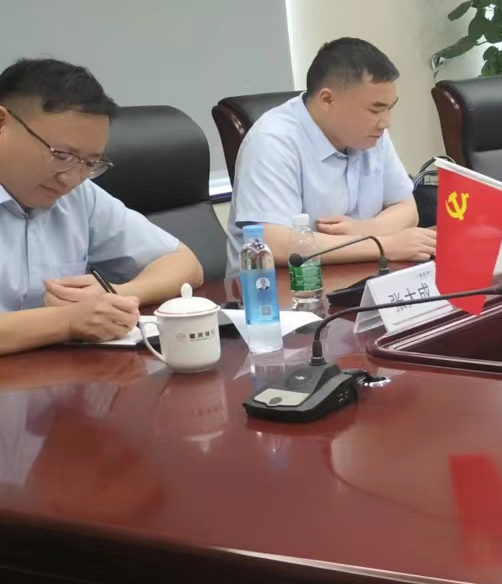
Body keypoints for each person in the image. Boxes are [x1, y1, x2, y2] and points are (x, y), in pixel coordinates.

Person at [0, 58, 203, 354]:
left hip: (59, 373)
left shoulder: (78, 195)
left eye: (89, 163)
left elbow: (185, 264)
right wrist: (67, 321)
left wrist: (115, 296)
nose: (71, 178)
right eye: (61, 155)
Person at [228, 37, 435, 277]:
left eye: (390, 108)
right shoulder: (272, 141)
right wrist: (382, 245)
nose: (386, 122)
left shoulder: (371, 134)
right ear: (327, 100)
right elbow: (274, 243)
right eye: (375, 109)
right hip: (277, 291)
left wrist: (364, 230)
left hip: (359, 278)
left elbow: (407, 209)